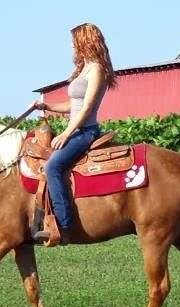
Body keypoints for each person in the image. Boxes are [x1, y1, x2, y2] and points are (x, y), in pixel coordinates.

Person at [32, 22, 117, 244]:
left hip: (84, 132)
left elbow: (87, 107)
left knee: (53, 166)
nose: (71, 47)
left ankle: (64, 226)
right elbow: (73, 105)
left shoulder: (97, 68)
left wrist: (67, 133)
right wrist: (47, 106)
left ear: (84, 41)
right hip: (75, 130)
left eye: (73, 43)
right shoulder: (84, 69)